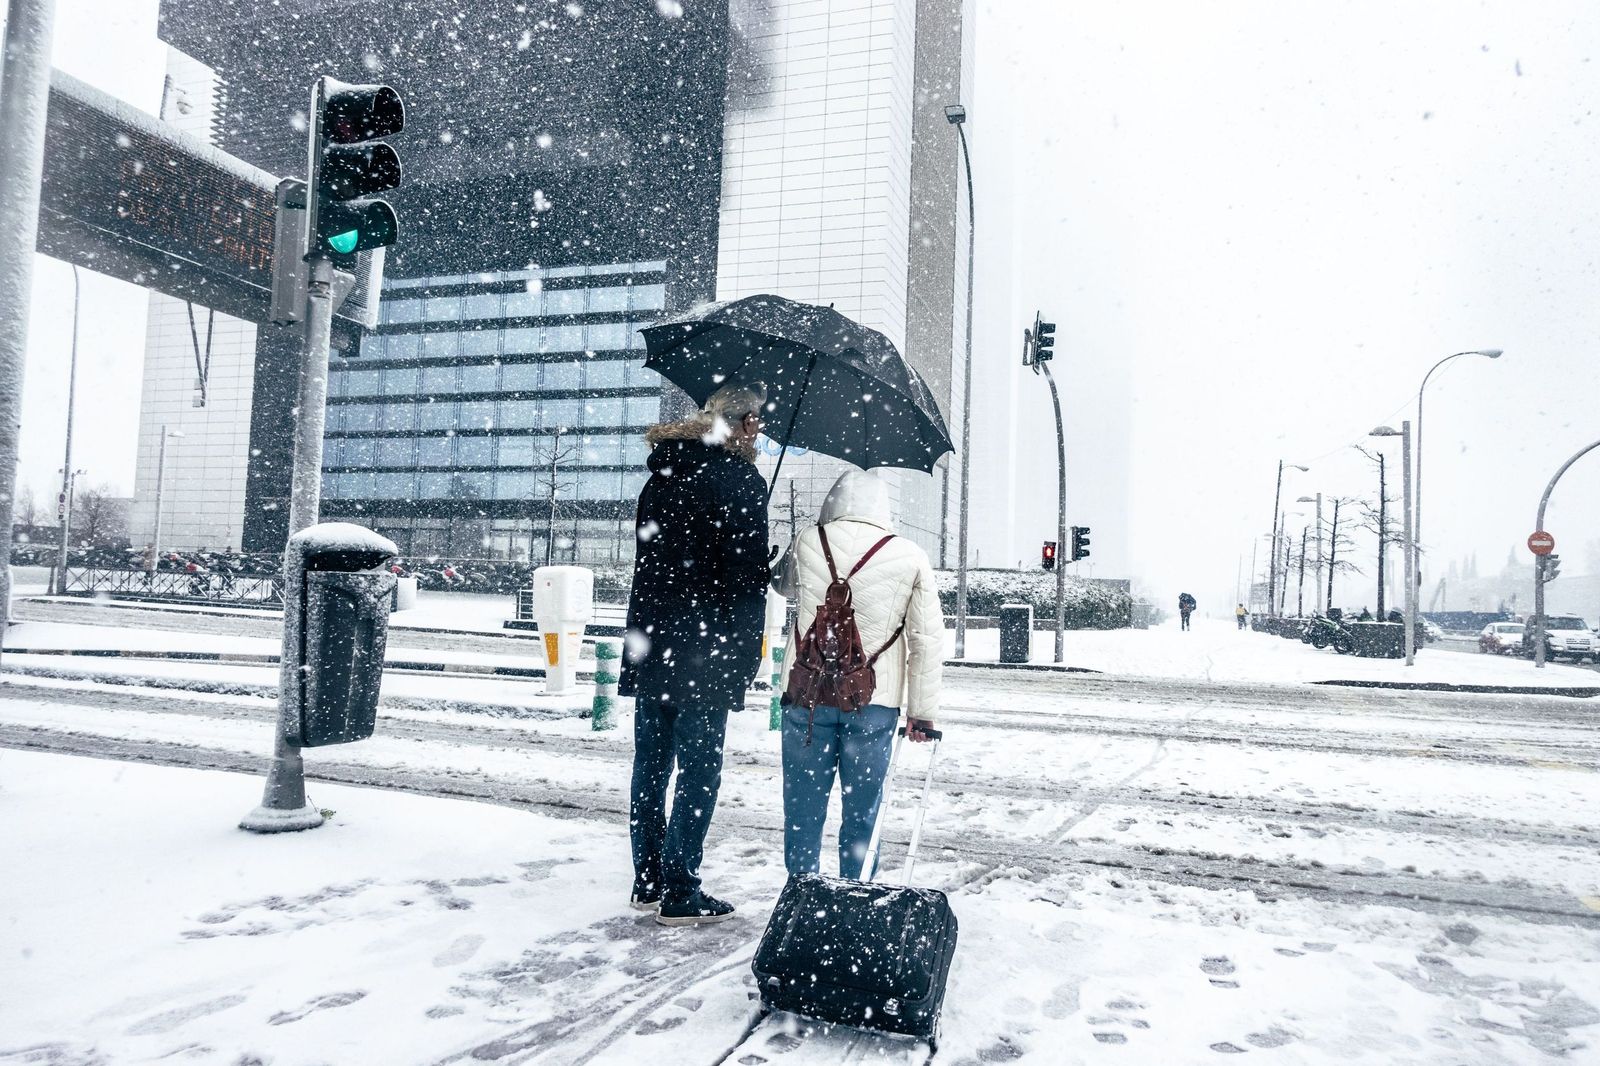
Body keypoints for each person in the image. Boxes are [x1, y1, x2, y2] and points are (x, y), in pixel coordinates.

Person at [621, 382, 770, 926]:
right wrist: (748, 651)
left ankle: (648, 879)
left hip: (652, 638)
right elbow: (744, 582)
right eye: (758, 421)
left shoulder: (659, 474)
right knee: (699, 770)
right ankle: (681, 892)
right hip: (706, 649)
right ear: (747, 423)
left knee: (651, 765)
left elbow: (653, 558)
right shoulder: (740, 480)